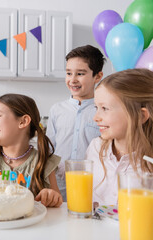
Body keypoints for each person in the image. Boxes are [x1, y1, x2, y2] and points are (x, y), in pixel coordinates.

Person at [46, 45, 105, 200]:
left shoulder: (102, 111)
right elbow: (48, 149)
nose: (72, 79)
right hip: (59, 184)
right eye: (68, 73)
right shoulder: (56, 110)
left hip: (93, 185)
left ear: (97, 77)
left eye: (80, 73)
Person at [86, 68, 153, 205]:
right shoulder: (95, 148)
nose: (96, 117)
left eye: (105, 108)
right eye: (96, 108)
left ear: (140, 116)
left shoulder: (150, 162)